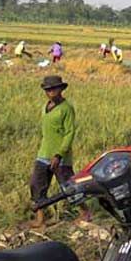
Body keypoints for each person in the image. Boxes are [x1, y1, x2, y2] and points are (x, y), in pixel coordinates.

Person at [29, 76, 90, 228]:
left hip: (60, 156)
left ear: (61, 89)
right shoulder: (46, 106)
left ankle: (86, 213)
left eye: (54, 89)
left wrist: (59, 154)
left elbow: (69, 133)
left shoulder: (66, 108)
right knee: (37, 185)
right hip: (43, 153)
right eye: (47, 90)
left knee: (68, 187)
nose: (50, 92)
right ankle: (40, 219)